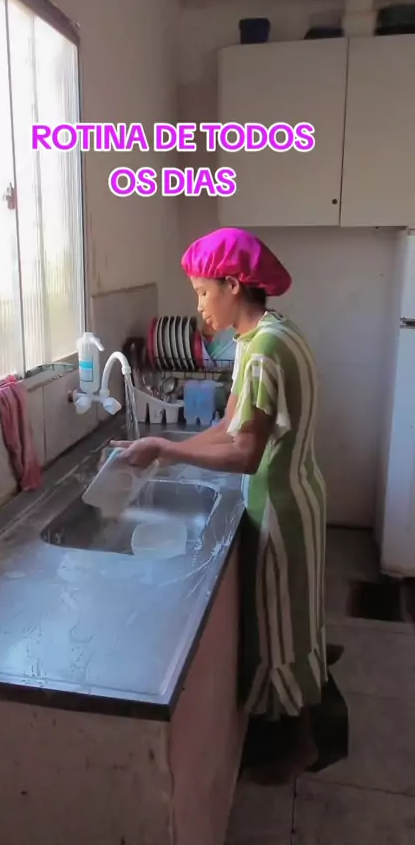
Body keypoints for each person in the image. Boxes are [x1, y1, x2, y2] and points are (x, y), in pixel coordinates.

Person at [111, 227, 327, 783]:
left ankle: (300, 745)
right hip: (296, 492)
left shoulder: (263, 351)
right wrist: (162, 447)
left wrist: (166, 450)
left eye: (204, 292)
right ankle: (285, 731)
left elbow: (245, 453)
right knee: (288, 621)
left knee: (284, 630)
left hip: (280, 505)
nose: (199, 306)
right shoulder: (262, 337)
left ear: (234, 285)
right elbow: (231, 425)